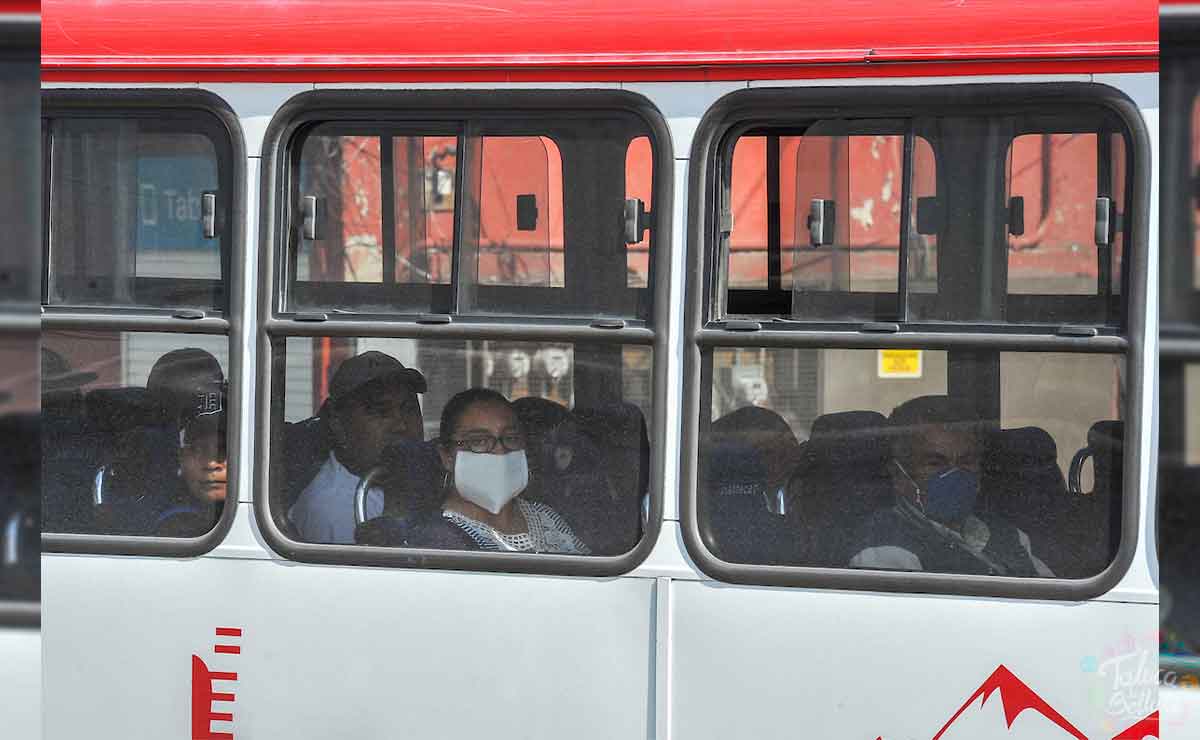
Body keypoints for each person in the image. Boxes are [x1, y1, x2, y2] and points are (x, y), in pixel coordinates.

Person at [847, 396, 1054, 577]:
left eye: (966, 461)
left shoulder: (1008, 534)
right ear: (899, 475)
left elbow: (1052, 593)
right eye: (935, 463)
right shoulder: (886, 550)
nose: (955, 474)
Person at [424, 388, 589, 554]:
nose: (500, 451)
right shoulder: (438, 540)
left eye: (510, 438)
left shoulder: (544, 518)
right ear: (447, 457)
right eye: (479, 441)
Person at [288, 351, 427, 544]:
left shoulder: (422, 475)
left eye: (409, 409)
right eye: (381, 412)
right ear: (338, 423)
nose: (401, 425)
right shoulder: (333, 510)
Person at [141, 348, 228, 535]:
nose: (211, 463)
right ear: (179, 456)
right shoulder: (172, 525)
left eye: (223, 449)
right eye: (196, 449)